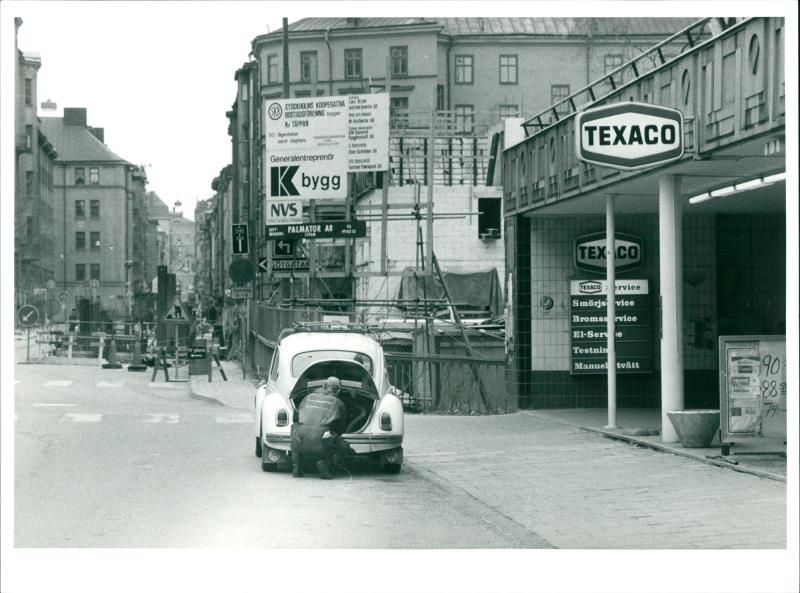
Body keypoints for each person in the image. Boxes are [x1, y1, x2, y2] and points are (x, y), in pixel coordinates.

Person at [291, 376, 348, 479]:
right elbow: (341, 428)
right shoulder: (339, 403)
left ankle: (297, 468)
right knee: (339, 443)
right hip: (321, 444)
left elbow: (295, 418)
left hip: (301, 441)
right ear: (338, 390)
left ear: (323, 386)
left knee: (295, 436)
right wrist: (333, 432)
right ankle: (324, 464)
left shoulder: (307, 398)